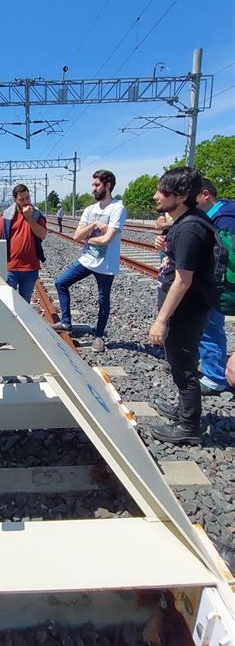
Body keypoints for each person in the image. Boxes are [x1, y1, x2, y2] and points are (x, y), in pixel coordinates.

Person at [149, 167, 216, 445]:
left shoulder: (189, 227)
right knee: (180, 363)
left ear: (183, 195)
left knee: (184, 366)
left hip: (185, 310)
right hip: (186, 307)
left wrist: (161, 320)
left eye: (163, 191)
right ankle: (184, 412)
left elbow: (183, 280)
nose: (156, 196)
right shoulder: (186, 221)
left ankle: (189, 426)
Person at [51, 169, 126, 353]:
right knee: (61, 282)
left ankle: (99, 336)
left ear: (108, 186)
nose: (93, 188)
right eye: (93, 185)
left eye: (97, 185)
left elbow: (107, 239)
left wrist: (88, 238)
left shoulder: (117, 208)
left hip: (106, 264)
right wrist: (93, 225)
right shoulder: (89, 210)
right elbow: (77, 236)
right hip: (87, 259)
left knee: (103, 299)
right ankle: (66, 322)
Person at [196, 178, 235, 394]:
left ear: (205, 195)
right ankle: (209, 366)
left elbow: (225, 255)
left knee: (211, 326)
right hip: (215, 282)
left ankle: (214, 377)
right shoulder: (219, 214)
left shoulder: (226, 218)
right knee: (207, 325)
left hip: (221, 284)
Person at [0, 183, 47, 303]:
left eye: (27, 198)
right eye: (21, 199)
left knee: (25, 303)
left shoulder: (36, 214)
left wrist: (29, 218)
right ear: (15, 200)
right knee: (8, 302)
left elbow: (42, 234)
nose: (25, 201)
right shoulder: (7, 215)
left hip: (30, 268)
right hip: (10, 267)